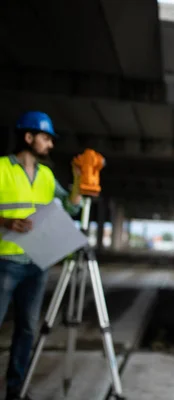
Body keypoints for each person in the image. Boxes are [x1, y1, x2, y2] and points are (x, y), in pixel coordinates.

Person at [0, 111, 82, 400]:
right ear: (28, 137)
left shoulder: (47, 175)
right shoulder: (1, 169)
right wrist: (5, 222)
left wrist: (78, 179)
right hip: (6, 260)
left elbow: (71, 208)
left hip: (37, 263)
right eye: (46, 138)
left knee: (26, 330)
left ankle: (15, 390)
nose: (50, 144)